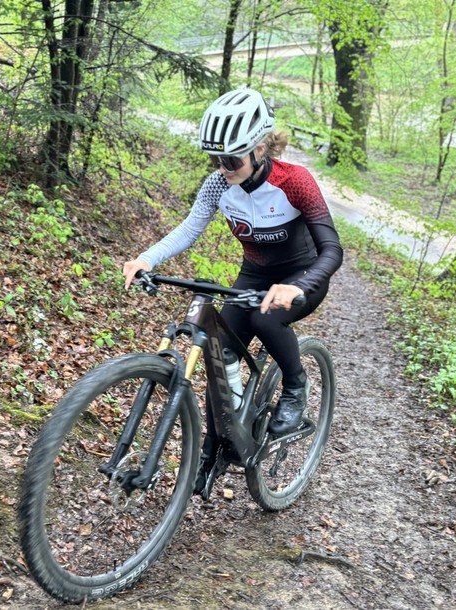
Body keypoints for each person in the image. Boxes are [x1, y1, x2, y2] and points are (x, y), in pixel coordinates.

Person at [122, 88, 343, 455]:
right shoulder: (218, 184)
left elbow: (332, 250)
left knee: (267, 320)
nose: (222, 168)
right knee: (218, 354)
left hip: (303, 274)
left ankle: (295, 386)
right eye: (215, 159)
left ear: (260, 148)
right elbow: (190, 228)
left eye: (230, 159)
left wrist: (297, 286)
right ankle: (222, 438)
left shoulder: (295, 181)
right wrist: (147, 258)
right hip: (254, 273)